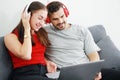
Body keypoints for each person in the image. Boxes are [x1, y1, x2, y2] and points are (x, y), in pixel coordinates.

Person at [44, 1, 101, 80]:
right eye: (55, 19)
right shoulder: (43, 32)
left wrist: (95, 71)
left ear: (66, 13)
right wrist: (46, 62)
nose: (60, 21)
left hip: (86, 71)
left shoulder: (81, 30)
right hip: (65, 75)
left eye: (62, 16)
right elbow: (35, 53)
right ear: (48, 19)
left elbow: (93, 55)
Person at [4, 1, 57, 80]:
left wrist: (46, 62)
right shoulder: (10, 37)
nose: (42, 23)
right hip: (24, 75)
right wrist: (27, 28)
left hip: (42, 74)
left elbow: (36, 54)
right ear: (27, 15)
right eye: (39, 18)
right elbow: (26, 55)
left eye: (44, 20)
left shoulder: (40, 34)